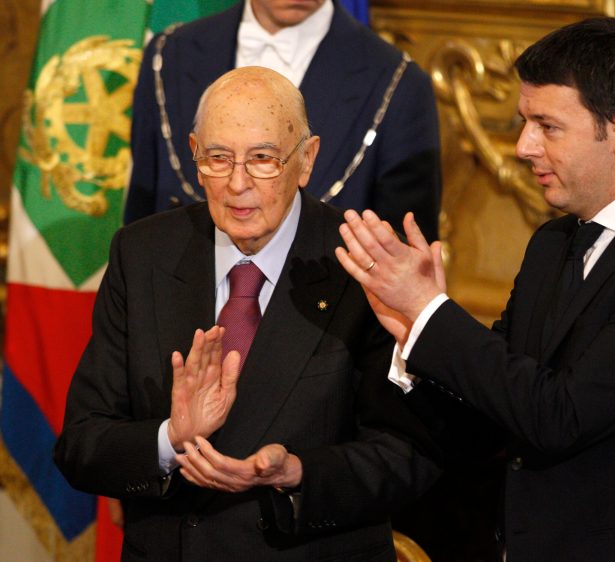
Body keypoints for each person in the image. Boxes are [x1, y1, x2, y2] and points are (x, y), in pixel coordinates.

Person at [335, 16, 615, 560]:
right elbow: (494, 425)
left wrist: (433, 316)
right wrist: (412, 339)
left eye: (547, 126)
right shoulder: (553, 243)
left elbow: (561, 417)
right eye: (524, 122)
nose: (522, 146)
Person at [54, 66, 439, 561]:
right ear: (194, 155)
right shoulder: (142, 252)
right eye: (218, 158)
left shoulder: (365, 264)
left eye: (262, 159)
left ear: (306, 160)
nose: (237, 183)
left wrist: (297, 472)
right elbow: (81, 446)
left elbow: (410, 455)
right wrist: (170, 440)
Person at [126, 0, 442, 242]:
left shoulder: (400, 83)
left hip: (323, 317)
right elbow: (142, 224)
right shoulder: (168, 55)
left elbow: (404, 257)